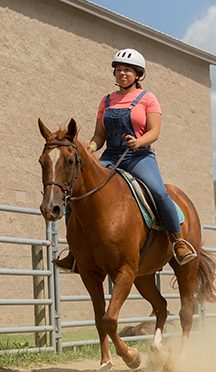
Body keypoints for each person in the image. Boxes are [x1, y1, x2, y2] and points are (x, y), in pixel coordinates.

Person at [54, 48, 197, 270]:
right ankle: (75, 250)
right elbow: (99, 135)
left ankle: (179, 241)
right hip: (111, 155)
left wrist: (139, 142)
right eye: (119, 70)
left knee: (158, 191)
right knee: (76, 192)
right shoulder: (106, 100)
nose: (122, 74)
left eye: (127, 70)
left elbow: (154, 131)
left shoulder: (148, 99)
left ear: (138, 74)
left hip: (139, 155)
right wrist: (92, 147)